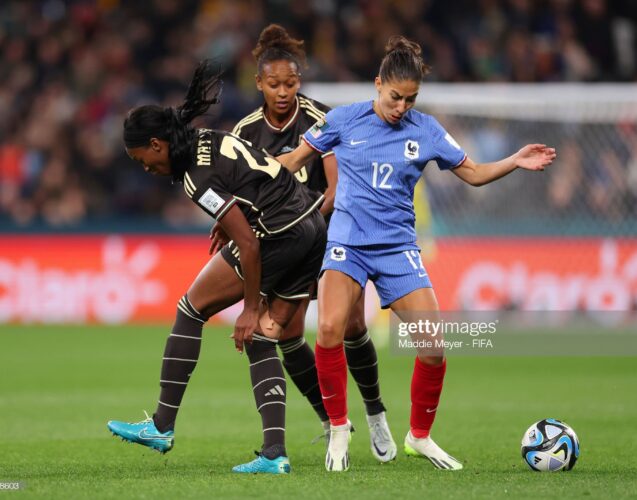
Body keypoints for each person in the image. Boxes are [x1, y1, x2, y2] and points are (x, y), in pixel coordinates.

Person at [278, 36, 556, 472]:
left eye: (410, 99)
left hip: (396, 249)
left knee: (433, 348)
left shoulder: (425, 129)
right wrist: (249, 185)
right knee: (330, 328)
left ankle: (419, 437)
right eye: (395, 97)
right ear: (377, 84)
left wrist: (514, 160)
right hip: (347, 242)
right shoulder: (344, 120)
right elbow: (293, 160)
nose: (401, 107)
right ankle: (337, 429)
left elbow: (474, 173)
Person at [107, 59, 328, 475]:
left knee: (192, 309)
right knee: (265, 339)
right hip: (312, 225)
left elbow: (248, 241)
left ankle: (161, 425)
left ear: (158, 145)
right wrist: (228, 222)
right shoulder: (207, 138)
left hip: (278, 232)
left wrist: (248, 307)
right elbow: (253, 180)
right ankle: (275, 454)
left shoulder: (194, 176)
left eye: (143, 160)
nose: (147, 169)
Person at [222, 23, 396, 462]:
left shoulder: (322, 119)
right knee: (285, 335)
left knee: (352, 327)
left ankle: (376, 413)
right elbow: (240, 195)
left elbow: (335, 192)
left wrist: (298, 226)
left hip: (335, 232)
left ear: (301, 81)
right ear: (259, 83)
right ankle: (332, 420)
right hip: (287, 244)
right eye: (275, 84)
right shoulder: (245, 131)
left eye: (292, 83)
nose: (284, 92)